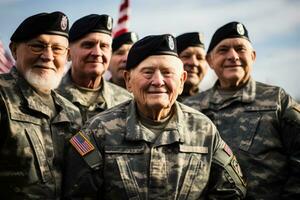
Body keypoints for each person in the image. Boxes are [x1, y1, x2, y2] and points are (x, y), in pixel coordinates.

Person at [63, 34, 246, 199]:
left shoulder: (204, 129)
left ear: (181, 81)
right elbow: (78, 193)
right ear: (128, 80)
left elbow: (231, 192)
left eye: (167, 73)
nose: (158, 81)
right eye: (148, 72)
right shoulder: (98, 130)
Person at [184, 21, 300, 199]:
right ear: (210, 61)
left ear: (253, 56)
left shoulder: (277, 100)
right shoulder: (191, 107)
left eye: (240, 49)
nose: (233, 56)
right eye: (223, 50)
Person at [0, 12, 82, 199]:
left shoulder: (72, 112)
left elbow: (89, 162)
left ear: (68, 55)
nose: (48, 56)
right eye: (37, 46)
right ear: (14, 50)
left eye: (58, 49)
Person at [57, 14, 132, 123]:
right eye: (88, 45)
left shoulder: (127, 100)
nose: (97, 53)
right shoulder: (50, 96)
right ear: (68, 54)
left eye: (103, 46)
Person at [176, 32, 208, 102]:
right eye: (186, 56)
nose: (194, 63)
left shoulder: (215, 103)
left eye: (200, 58)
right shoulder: (158, 103)